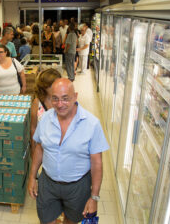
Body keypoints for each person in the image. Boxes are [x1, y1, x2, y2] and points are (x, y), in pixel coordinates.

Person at [28, 78, 109, 224]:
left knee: (71, 220)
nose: (60, 104)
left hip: (77, 186)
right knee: (46, 220)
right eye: (55, 99)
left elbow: (97, 163)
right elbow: (40, 148)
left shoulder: (92, 124)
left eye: (65, 99)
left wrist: (94, 197)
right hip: (48, 183)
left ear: (75, 96)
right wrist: (32, 177)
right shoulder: (45, 119)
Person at [30, 68, 61, 153]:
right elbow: (33, 128)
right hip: (43, 149)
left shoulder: (63, 102)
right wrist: (33, 149)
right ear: (44, 86)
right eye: (51, 85)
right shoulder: (37, 103)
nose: (56, 88)